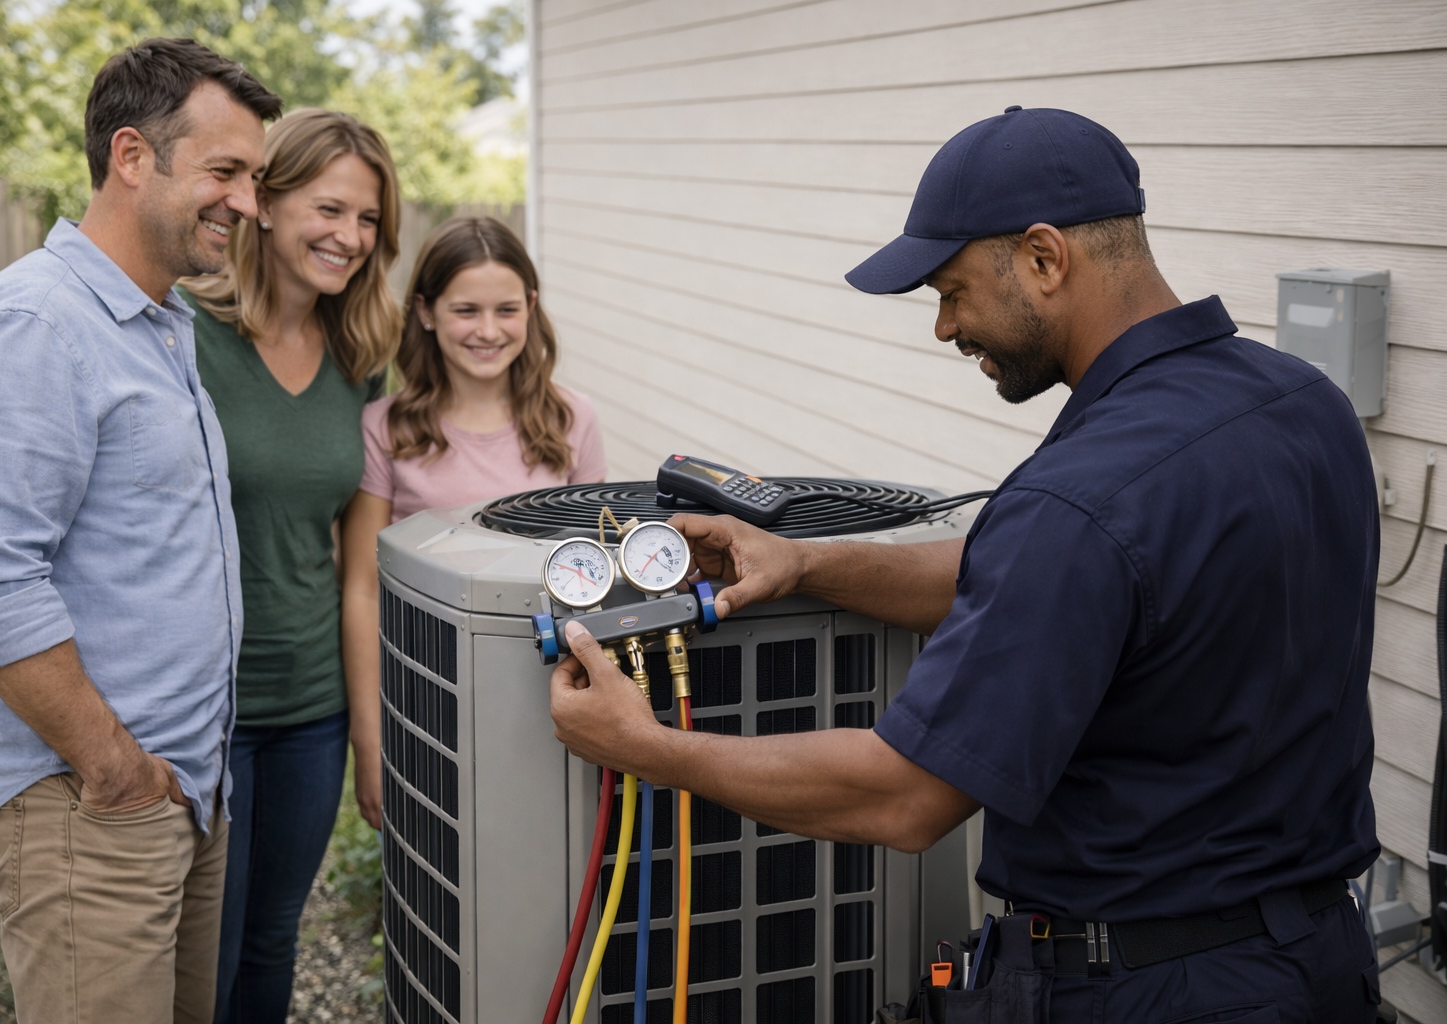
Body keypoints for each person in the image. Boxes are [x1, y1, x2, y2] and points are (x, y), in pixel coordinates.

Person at [547, 107, 1381, 1022]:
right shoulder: (1304, 405)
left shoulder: (1082, 498)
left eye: (952, 289)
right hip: (1321, 962)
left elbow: (903, 797)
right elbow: (1060, 583)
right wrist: (804, 563)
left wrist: (646, 749)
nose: (945, 327)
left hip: (1151, 989)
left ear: (1043, 258)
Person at [0, 39, 281, 1024]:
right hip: (88, 802)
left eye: (252, 177)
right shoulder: (34, 328)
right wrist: (114, 768)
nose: (248, 204)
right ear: (132, 156)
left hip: (181, 791)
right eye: (225, 173)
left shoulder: (158, 325)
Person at [175, 108, 401, 1024]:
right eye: (329, 208)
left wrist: (365, 729)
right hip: (200, 711)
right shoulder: (178, 332)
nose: (349, 238)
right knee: (208, 953)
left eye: (369, 220)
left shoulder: (361, 361)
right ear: (264, 202)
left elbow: (357, 571)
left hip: (309, 711)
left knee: (274, 937)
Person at [341, 216, 605, 826]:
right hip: (426, 695)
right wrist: (370, 739)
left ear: (531, 308)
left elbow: (595, 576)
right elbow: (360, 588)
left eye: (506, 309)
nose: (488, 331)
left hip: (550, 696)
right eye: (466, 310)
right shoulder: (386, 429)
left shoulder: (572, 421)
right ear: (427, 312)